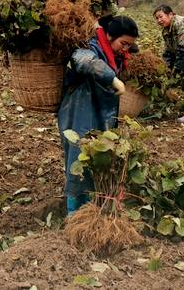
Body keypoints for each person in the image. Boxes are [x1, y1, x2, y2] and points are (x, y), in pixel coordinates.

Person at [58, 14, 139, 215]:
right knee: (78, 162)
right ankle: (74, 214)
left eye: (130, 45)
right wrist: (112, 79)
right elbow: (84, 61)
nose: (126, 48)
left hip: (99, 113)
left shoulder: (115, 55)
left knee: (97, 162)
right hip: (79, 112)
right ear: (109, 35)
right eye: (123, 43)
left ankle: (91, 209)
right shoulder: (91, 47)